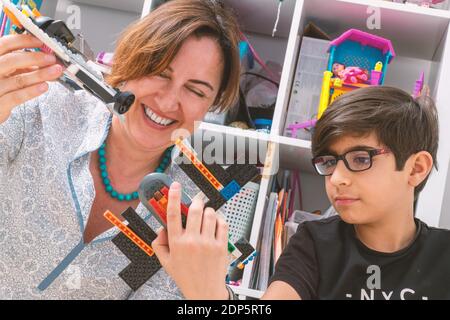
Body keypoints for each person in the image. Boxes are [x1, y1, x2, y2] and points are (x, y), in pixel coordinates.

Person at [0, 0, 240, 299]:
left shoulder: (193, 209)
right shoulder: (38, 107)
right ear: (128, 63)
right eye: (161, 73)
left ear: (211, 106)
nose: (167, 103)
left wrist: (210, 295)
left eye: (195, 90)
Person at [153, 86, 450, 300]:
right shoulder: (314, 244)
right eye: (329, 162)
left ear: (416, 169)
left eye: (361, 158)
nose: (337, 178)